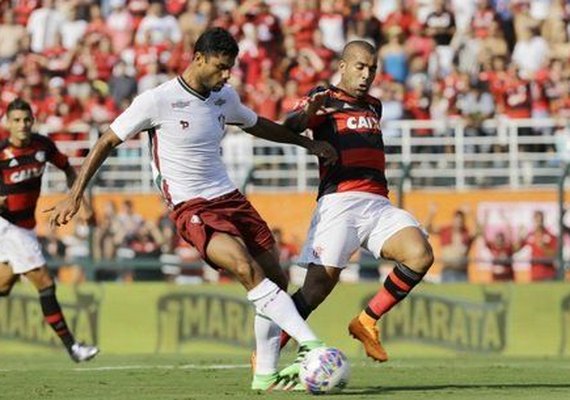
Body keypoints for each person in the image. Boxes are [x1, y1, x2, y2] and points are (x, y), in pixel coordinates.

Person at [45, 28, 337, 391]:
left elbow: (255, 124)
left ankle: (265, 373)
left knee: (277, 280)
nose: (227, 75)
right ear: (198, 58)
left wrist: (306, 145)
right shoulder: (157, 100)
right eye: (220, 67)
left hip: (230, 197)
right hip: (191, 205)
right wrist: (75, 193)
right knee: (245, 268)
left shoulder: (223, 96)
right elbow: (107, 140)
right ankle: (313, 345)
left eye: (230, 68)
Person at [277, 40, 434, 368]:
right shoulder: (324, 98)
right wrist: (309, 113)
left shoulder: (374, 105)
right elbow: (290, 126)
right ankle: (266, 352)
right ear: (343, 67)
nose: (367, 75)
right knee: (316, 289)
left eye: (372, 69)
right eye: (360, 67)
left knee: (419, 254)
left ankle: (366, 321)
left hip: (378, 203)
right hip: (341, 201)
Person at [0, 98, 99, 363]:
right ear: (7, 123)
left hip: (26, 226)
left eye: (27, 119)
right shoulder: (1, 153)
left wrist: (82, 203)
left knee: (4, 285)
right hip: (7, 225)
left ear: (33, 120)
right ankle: (73, 348)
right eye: (17, 120)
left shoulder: (42, 145)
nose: (22, 125)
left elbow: (68, 168)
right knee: (45, 282)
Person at [426, 205, 479, 282]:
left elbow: (479, 231)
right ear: (453, 220)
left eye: (461, 220)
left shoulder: (466, 233)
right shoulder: (445, 231)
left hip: (462, 272)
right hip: (448, 271)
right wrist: (431, 214)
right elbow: (427, 228)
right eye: (457, 219)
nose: (459, 222)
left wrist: (471, 214)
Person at [513, 210, 558, 281]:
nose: (538, 221)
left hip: (549, 274)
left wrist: (543, 247)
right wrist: (519, 237)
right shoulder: (530, 235)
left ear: (543, 219)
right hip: (535, 275)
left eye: (540, 219)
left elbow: (555, 255)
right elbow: (515, 249)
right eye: (536, 219)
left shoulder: (550, 236)